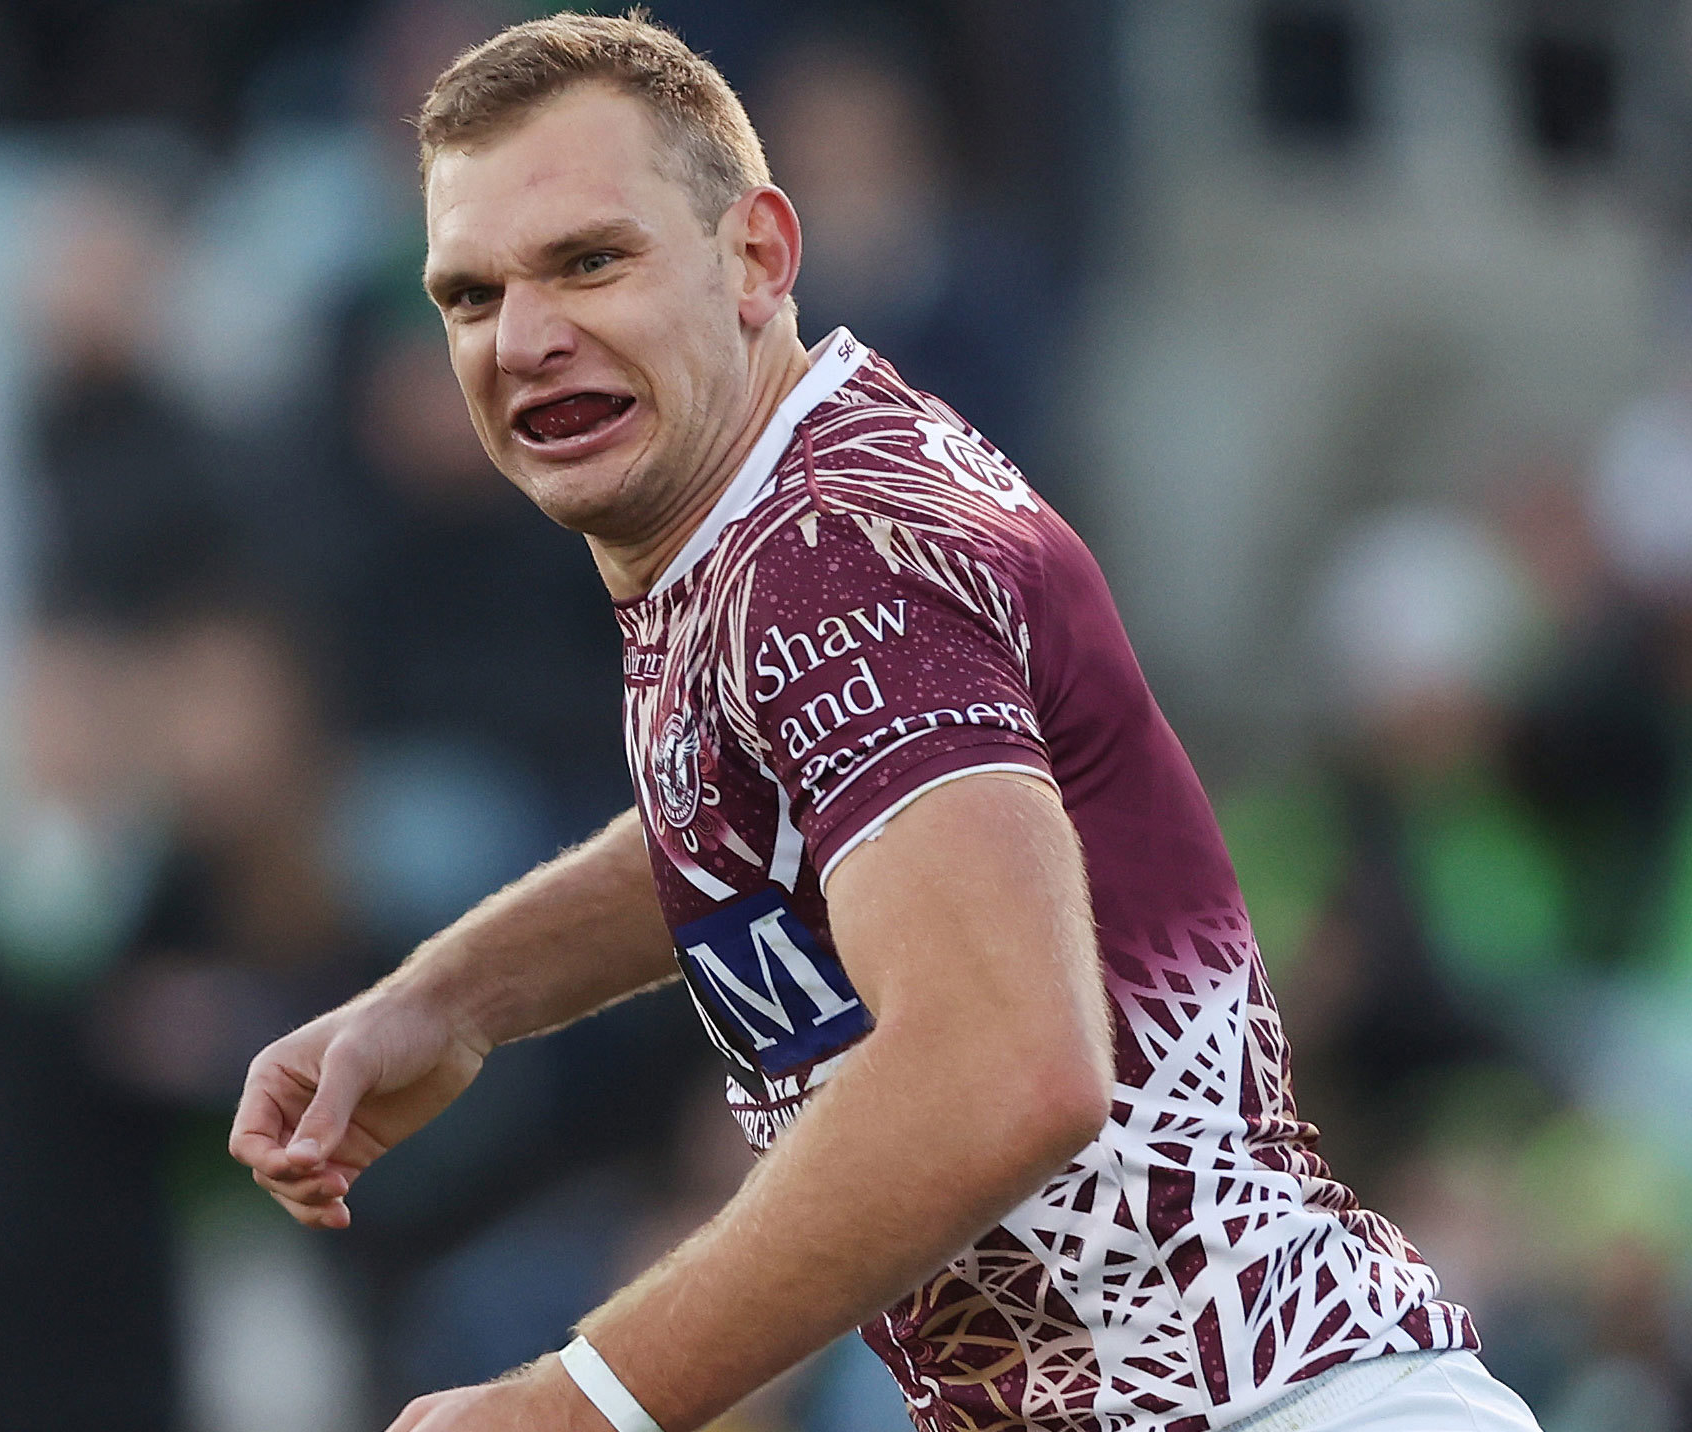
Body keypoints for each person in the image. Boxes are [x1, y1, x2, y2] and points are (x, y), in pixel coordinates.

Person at [229, 14, 1542, 1432]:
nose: (527, 340)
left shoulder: (830, 554)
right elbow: (770, 814)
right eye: (471, 295)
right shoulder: (778, 504)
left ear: (757, 256)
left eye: (591, 261)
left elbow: (1005, 1068)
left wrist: (581, 1402)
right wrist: (456, 996)